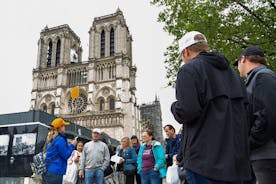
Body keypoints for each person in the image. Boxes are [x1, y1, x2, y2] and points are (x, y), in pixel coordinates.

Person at [171, 31, 251, 183]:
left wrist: (174, 107)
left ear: (186, 51)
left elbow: (187, 110)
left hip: (204, 163)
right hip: (237, 164)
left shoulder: (188, 70)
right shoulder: (234, 75)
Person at [234, 46, 276, 183]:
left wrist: (250, 142)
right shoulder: (257, 79)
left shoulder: (263, 77)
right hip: (262, 154)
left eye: (238, 63)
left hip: (267, 154)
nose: (238, 68)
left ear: (243, 59)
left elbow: (268, 115)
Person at [42, 118, 77, 184]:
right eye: (63, 126)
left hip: (48, 170)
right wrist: (72, 145)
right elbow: (66, 155)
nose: (64, 127)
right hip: (56, 172)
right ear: (59, 128)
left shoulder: (50, 138)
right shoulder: (60, 139)